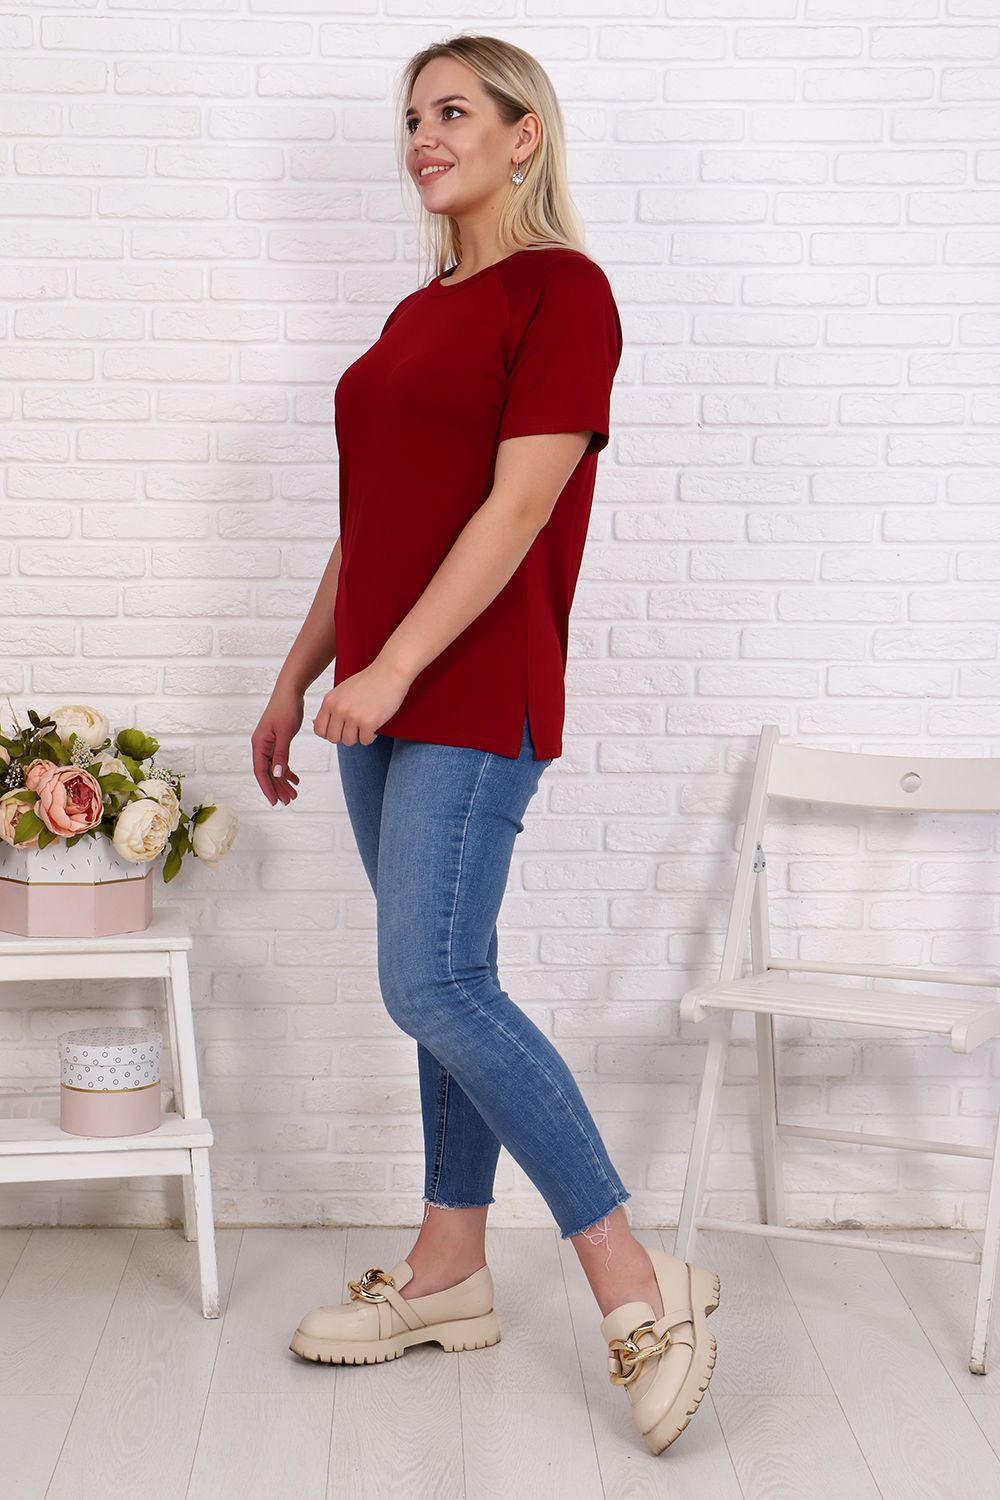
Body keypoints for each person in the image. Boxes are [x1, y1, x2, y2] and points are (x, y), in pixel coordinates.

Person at [250, 34, 719, 1457]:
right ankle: (450, 1264)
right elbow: (372, 528)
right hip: (373, 701)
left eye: (453, 111)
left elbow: (519, 510)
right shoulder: (414, 316)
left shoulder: (564, 291)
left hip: (466, 691)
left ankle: (637, 1280)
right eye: (411, 117)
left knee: (433, 980)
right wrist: (297, 678)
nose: (423, 137)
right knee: (445, 986)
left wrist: (393, 668)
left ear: (526, 136)